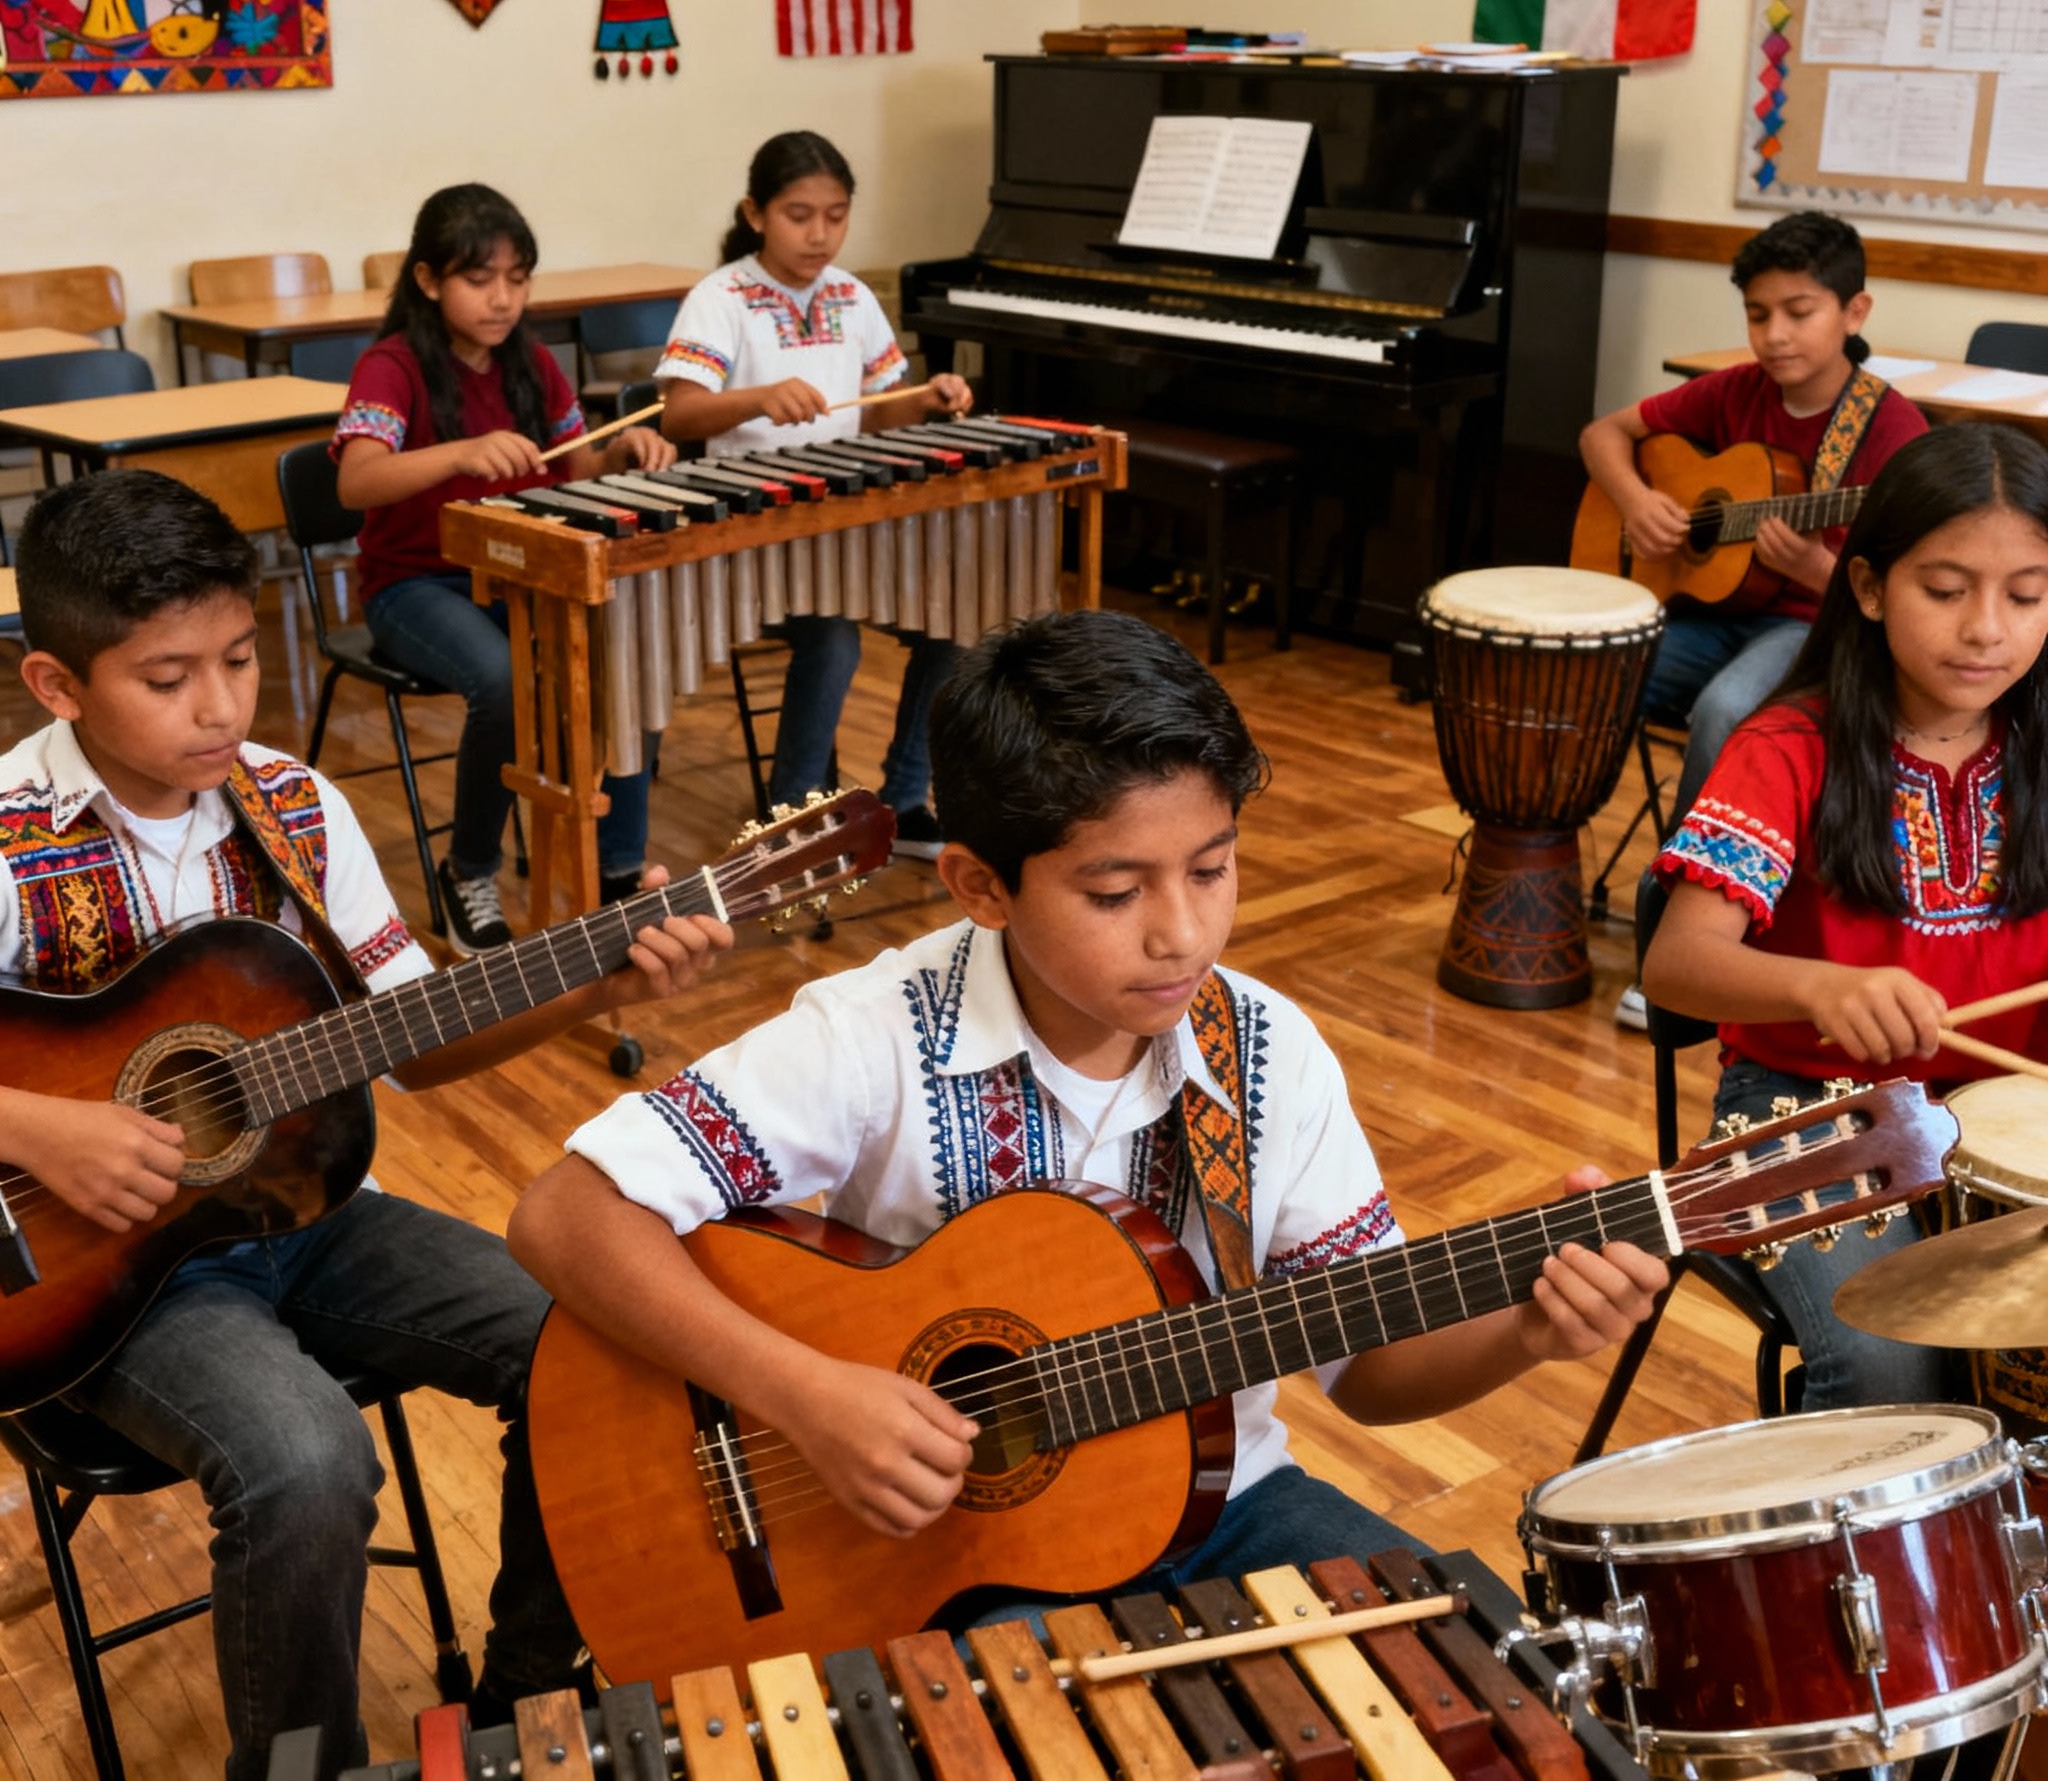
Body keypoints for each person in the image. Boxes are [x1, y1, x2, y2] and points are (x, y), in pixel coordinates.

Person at [510, 610, 1663, 1589]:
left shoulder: (1267, 1051)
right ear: (978, 883)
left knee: (1484, 1667)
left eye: (1211, 868)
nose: (1182, 931)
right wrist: (809, 1395)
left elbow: (1363, 1372)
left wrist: (1525, 1326)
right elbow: (563, 1213)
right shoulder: (870, 1037)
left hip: (1229, 1507)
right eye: (1116, 890)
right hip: (941, 1553)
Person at [0, 471, 732, 1778]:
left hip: (306, 1217)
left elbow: (423, 1043)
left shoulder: (289, 804)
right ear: (59, 685)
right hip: (98, 1279)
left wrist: (597, 981)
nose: (222, 705)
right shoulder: (5, 840)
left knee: (601, 1335)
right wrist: (41, 1130)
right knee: (305, 1459)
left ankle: (518, 1714)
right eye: (168, 679)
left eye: (237, 658)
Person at [1643, 422, 2048, 1411]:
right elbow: (1675, 961)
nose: (1984, 628)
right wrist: (1816, 983)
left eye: (2025, 594)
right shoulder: (1789, 745)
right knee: (1884, 1355)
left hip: (2008, 1114)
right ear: (1865, 588)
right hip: (1805, 1108)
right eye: (1944, 590)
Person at [1581, 213, 1927, 1028]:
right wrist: (1640, 504)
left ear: (1855, 312)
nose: (1775, 335)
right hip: (1705, 612)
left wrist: (1819, 570)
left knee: (1732, 713)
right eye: (1758, 313)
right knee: (1594, 661)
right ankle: (1539, 870)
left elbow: (1915, 577)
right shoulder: (1735, 391)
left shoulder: (1889, 430)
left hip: (1808, 629)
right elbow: (1604, 434)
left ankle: (1684, 940)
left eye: (1799, 311)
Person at [337, 182, 678, 952]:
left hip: (526, 574)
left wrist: (622, 452)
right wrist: (456, 453)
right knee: (504, 683)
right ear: (428, 280)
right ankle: (470, 871)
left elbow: (577, 466)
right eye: (479, 279)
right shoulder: (391, 366)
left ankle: (620, 871)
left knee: (626, 652)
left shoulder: (531, 363)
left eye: (517, 280)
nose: (502, 299)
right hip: (413, 584)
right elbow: (356, 480)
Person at [655, 130, 974, 860]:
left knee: (956, 617)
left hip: (853, 526)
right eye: (800, 214)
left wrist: (932, 398)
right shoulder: (722, 297)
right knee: (832, 636)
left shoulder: (852, 296)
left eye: (836, 215)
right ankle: (791, 818)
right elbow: (679, 414)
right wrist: (758, 398)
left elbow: (885, 409)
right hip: (752, 532)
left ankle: (907, 799)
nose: (820, 233)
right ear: (756, 213)